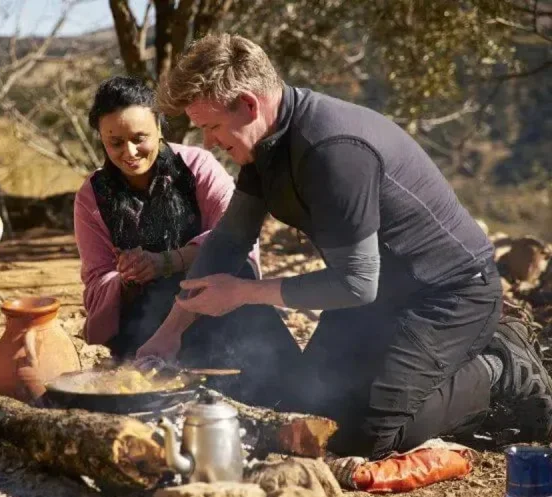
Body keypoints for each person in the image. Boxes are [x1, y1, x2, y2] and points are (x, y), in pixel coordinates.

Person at [136, 34, 552, 459]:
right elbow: (229, 240)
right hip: (378, 294)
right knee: (307, 410)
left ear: (248, 104)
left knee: (366, 435)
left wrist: (242, 292)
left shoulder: (332, 151)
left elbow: (356, 284)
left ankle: (499, 367)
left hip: (450, 296)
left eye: (211, 127)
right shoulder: (266, 145)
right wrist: (169, 333)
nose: (208, 142)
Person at [74, 76, 300, 403]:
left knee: (238, 278)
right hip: (144, 323)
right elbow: (96, 282)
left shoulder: (197, 166)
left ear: (159, 128)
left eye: (139, 138)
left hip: (213, 306)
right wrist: (125, 279)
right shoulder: (91, 196)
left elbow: (237, 238)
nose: (129, 152)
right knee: (153, 396)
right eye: (115, 143)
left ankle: (290, 394)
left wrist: (167, 261)